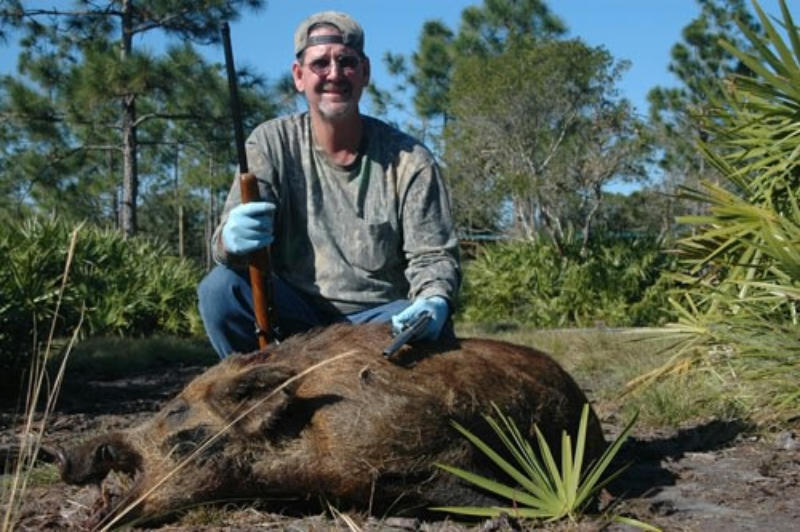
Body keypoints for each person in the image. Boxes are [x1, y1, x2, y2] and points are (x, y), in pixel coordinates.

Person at [198, 11, 460, 358]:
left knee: (432, 331)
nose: (334, 74)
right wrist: (231, 241)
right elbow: (224, 247)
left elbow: (434, 257)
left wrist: (433, 299)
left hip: (380, 321)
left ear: (365, 72)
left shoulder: (411, 159)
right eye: (320, 63)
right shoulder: (269, 144)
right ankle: (252, 394)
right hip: (293, 314)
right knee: (220, 289)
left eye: (346, 62)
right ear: (299, 76)